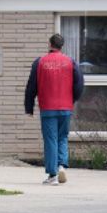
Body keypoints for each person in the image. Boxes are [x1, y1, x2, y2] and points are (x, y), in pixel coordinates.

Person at [24, 33, 84, 185]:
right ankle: (62, 165)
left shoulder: (40, 62)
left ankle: (53, 175)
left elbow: (31, 86)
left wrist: (29, 107)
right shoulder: (70, 62)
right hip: (65, 107)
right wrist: (72, 99)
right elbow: (79, 84)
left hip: (48, 108)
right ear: (61, 46)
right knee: (62, 137)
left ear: (50, 44)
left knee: (51, 139)